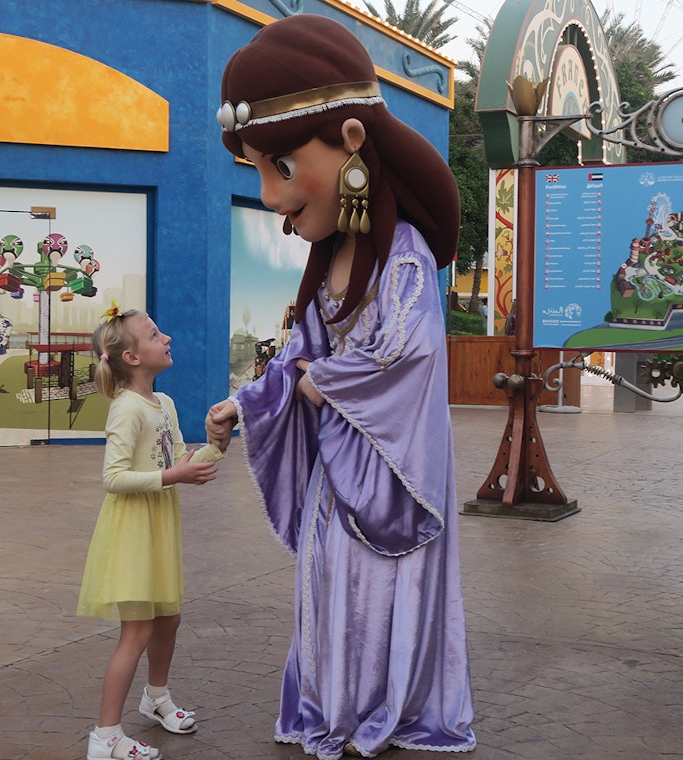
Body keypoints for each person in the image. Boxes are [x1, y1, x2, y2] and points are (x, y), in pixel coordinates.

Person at [207, 15, 476, 760]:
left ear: (353, 142)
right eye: (259, 171)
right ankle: (334, 707)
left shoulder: (407, 258)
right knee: (328, 589)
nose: (267, 196)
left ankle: (380, 709)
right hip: (339, 471)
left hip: (388, 467)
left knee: (374, 593)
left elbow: (410, 350)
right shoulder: (330, 259)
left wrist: (322, 383)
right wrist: (248, 399)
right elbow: (301, 347)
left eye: (282, 168)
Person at [78, 303, 228, 760]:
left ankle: (156, 697)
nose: (166, 338)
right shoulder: (126, 410)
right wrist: (171, 478)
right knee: (137, 630)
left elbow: (179, 459)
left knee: (169, 618)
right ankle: (105, 737)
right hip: (132, 531)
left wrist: (214, 444)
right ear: (132, 358)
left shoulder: (164, 403)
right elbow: (113, 478)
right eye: (155, 334)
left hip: (159, 525)